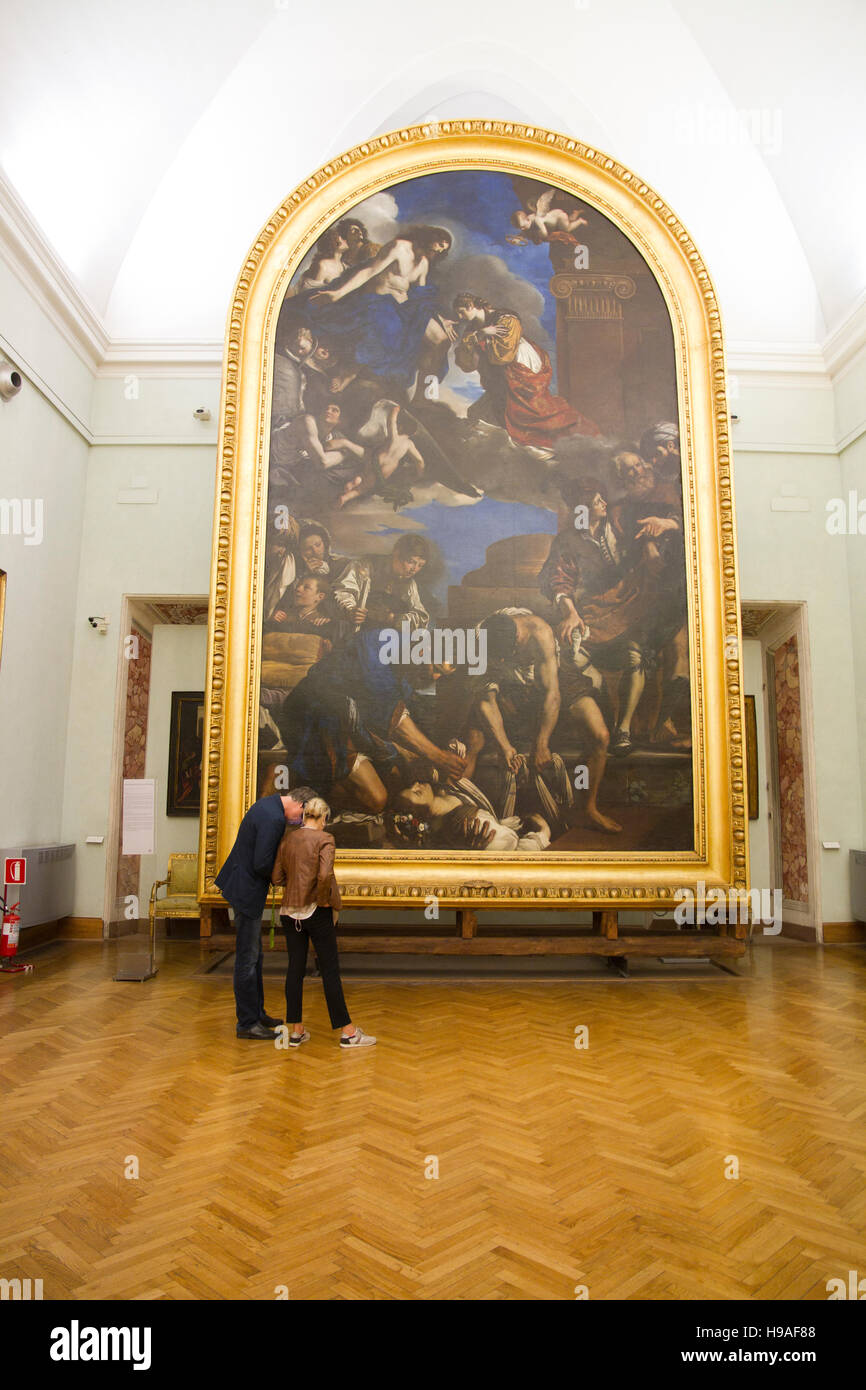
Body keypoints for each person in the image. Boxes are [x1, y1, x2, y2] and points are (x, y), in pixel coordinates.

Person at [272, 796, 376, 1049]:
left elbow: (276, 877)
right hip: (317, 912)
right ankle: (348, 1033)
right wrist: (321, 901)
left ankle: (295, 1032)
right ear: (325, 818)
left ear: (305, 815)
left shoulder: (288, 839)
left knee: (295, 969)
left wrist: (295, 887)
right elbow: (324, 874)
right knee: (329, 970)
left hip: (288, 912)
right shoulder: (325, 839)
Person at [214, 792, 304, 1039]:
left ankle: (257, 1013)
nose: (298, 820)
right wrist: (285, 875)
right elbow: (262, 863)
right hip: (246, 891)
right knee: (248, 958)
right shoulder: (274, 818)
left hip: (244, 887)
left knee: (255, 955)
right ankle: (247, 1023)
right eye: (301, 815)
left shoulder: (269, 806)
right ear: (298, 803)